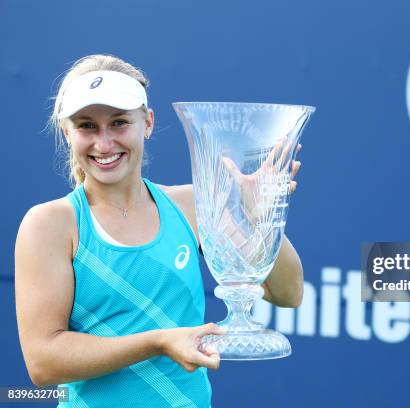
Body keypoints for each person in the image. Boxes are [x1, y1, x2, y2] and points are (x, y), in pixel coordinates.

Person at [14, 54, 304, 407]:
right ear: (67, 132)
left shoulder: (191, 205)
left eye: (119, 123)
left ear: (147, 123)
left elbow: (287, 293)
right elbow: (43, 362)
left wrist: (260, 217)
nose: (103, 144)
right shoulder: (50, 224)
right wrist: (158, 342)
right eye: (87, 126)